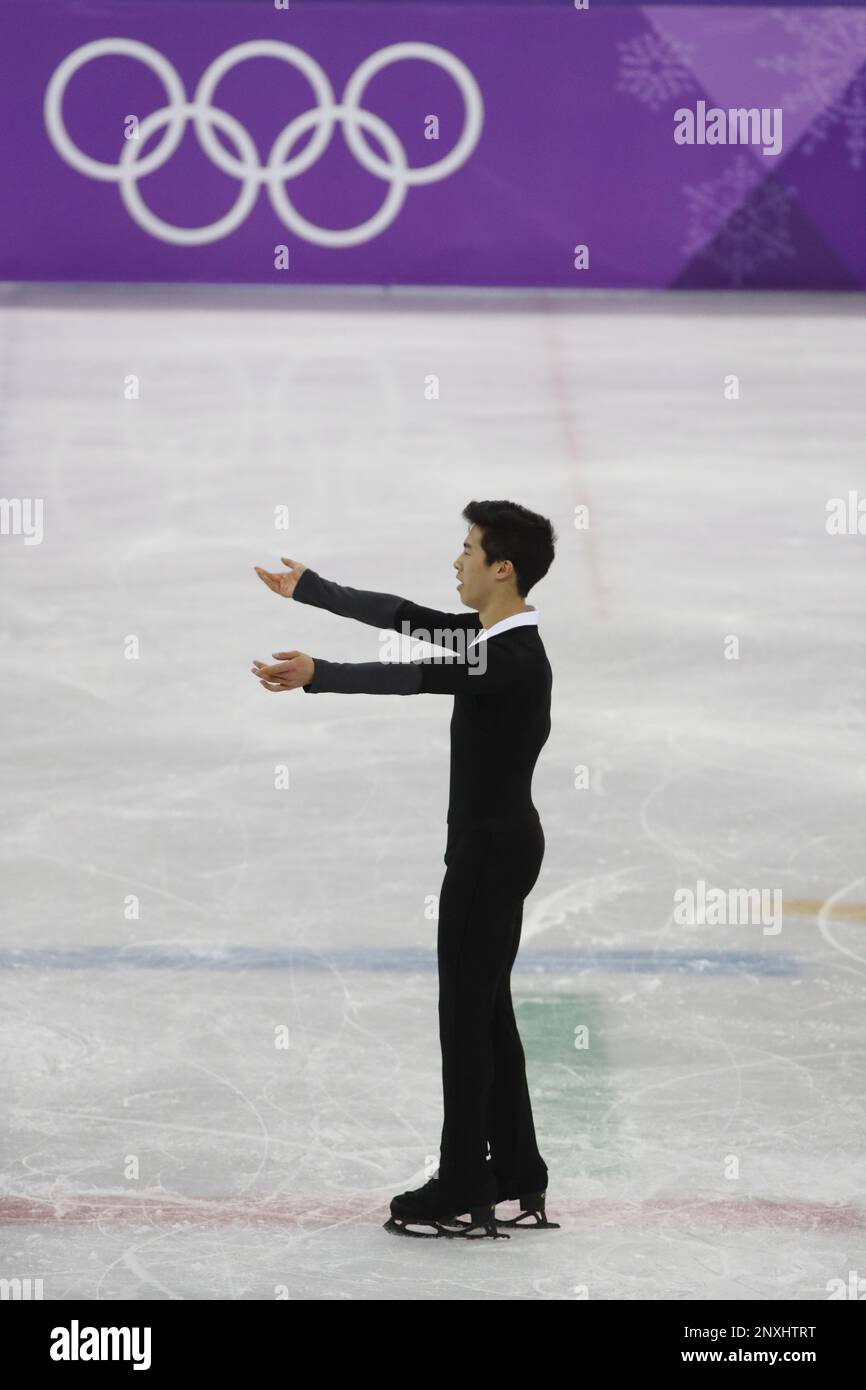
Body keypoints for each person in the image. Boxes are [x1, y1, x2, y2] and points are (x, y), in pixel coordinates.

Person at [252, 500, 557, 1239]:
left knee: (465, 1016)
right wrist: (313, 588)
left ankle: (463, 1180)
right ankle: (517, 1174)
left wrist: (318, 674)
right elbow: (402, 616)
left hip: (490, 855)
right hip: (498, 846)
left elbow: (414, 677)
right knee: (487, 1013)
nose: (458, 561)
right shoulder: (490, 636)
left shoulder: (507, 658)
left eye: (468, 549)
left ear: (501, 568)